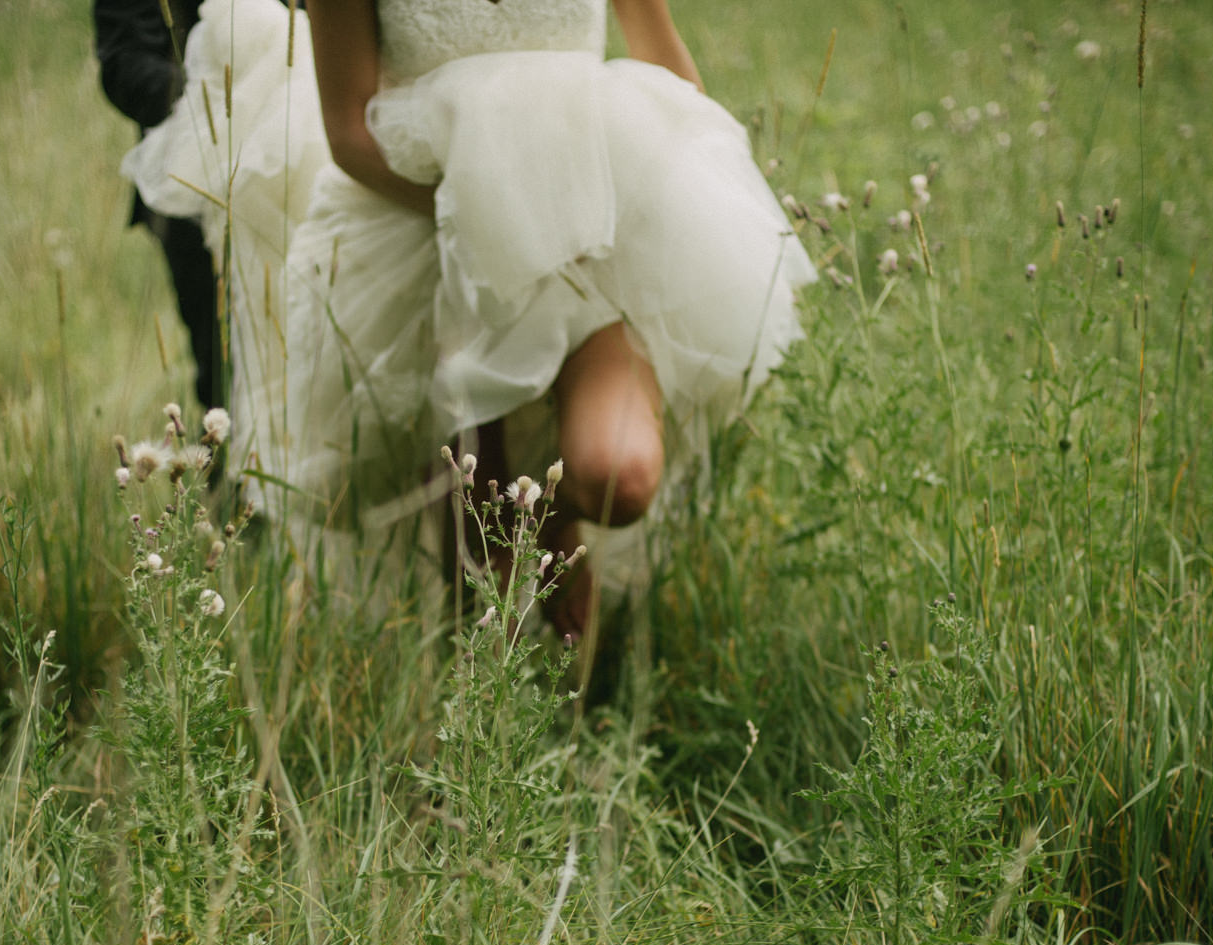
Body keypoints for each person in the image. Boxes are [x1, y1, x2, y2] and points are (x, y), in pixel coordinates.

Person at [123, 0, 815, 639]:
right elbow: (348, 132)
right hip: (422, 245)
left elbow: (670, 70)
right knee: (477, 565)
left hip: (592, 239)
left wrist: (697, 192)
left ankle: (556, 514)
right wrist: (488, 219)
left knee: (619, 478)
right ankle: (498, 730)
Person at [93, 0, 226, 417]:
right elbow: (123, 64)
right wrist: (220, 102)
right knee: (221, 366)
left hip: (307, 165)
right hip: (189, 190)